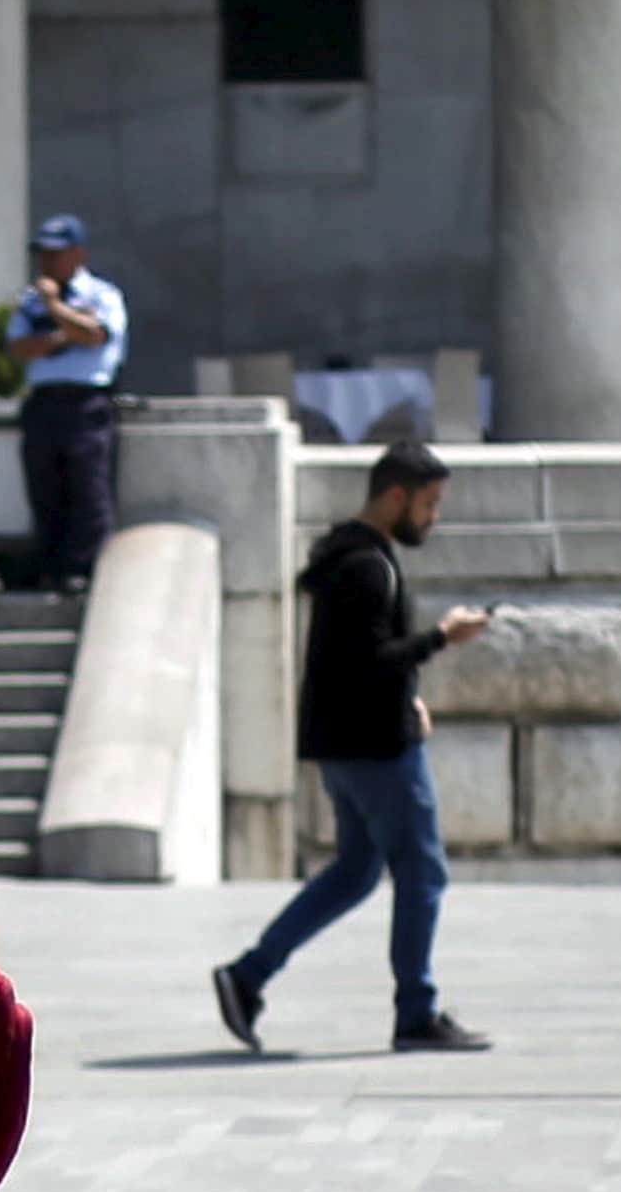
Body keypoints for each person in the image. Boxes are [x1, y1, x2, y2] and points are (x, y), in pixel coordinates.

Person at [212, 442, 495, 1053]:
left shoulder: (352, 556)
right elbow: (369, 661)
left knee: (355, 872)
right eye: (429, 503)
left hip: (346, 745)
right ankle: (416, 1013)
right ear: (395, 496)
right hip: (376, 749)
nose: (433, 517)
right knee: (422, 872)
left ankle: (248, 975)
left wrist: (409, 691)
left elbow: (352, 661)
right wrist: (441, 638)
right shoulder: (370, 566)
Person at [8, 212, 128, 595]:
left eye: (55, 253)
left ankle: (84, 569)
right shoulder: (29, 302)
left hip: (85, 403)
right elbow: (21, 346)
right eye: (42, 254)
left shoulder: (102, 295)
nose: (46, 262)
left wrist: (56, 310)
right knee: (44, 486)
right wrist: (66, 333)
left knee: (87, 487)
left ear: (78, 254)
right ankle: (51, 566)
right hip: (44, 402)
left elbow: (96, 336)